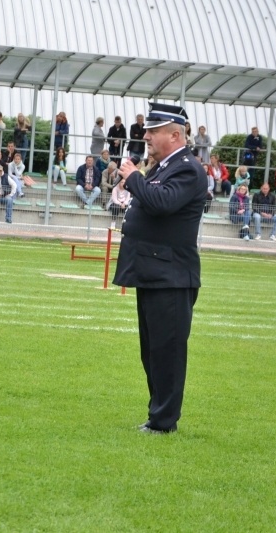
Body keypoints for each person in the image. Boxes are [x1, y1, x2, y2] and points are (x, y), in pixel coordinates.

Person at [113, 102, 206, 435]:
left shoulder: (187, 168)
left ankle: (164, 421)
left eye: (153, 131)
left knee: (167, 352)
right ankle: (158, 415)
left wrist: (135, 179)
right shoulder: (163, 166)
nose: (147, 137)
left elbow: (163, 202)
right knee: (152, 351)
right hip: (153, 271)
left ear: (175, 134)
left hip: (172, 275)